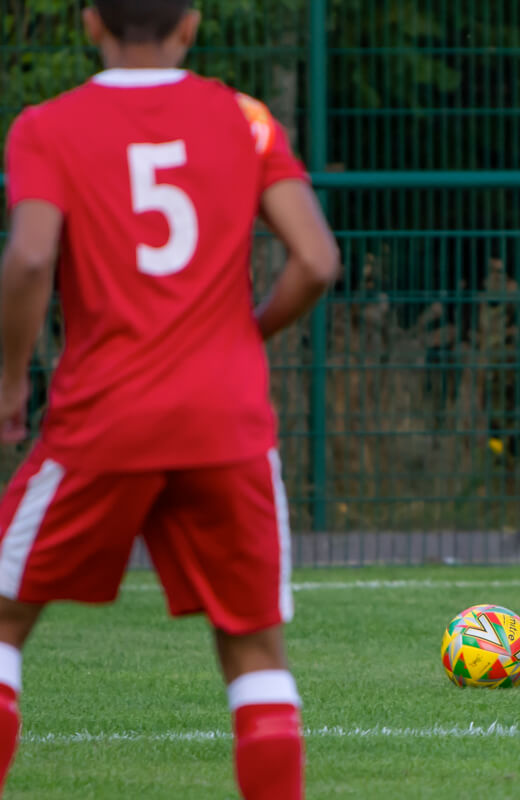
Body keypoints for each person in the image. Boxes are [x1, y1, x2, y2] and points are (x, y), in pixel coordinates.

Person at [0, 1, 339, 797]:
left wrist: (12, 381)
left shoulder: (47, 126)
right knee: (254, 651)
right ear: (190, 24)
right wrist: (244, 336)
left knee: (6, 622)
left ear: (90, 23)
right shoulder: (245, 119)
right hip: (227, 424)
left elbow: (28, 258)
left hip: (102, 421)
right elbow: (317, 260)